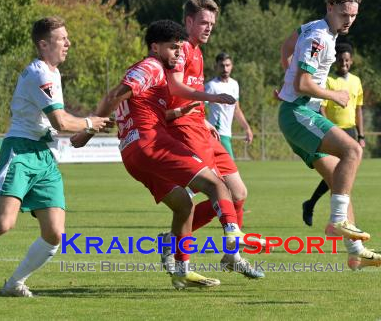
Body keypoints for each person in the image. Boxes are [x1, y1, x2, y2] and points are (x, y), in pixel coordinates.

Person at [0, 16, 111, 302]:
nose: (68, 43)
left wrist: (85, 128)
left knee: (54, 234)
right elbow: (61, 120)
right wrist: (89, 122)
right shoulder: (40, 74)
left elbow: (55, 125)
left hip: (45, 156)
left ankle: (14, 283)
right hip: (21, 152)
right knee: (2, 224)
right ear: (43, 44)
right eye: (62, 39)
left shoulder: (54, 73)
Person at [70, 19, 259, 289]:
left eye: (180, 50)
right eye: (173, 48)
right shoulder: (151, 66)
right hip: (151, 144)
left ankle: (182, 271)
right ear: (155, 47)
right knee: (217, 184)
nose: (178, 54)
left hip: (133, 155)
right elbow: (114, 95)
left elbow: (139, 108)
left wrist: (178, 113)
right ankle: (232, 236)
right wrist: (87, 130)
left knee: (184, 205)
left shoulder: (154, 73)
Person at [278, 0, 381, 270]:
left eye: (354, 16)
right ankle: (336, 222)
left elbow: (286, 47)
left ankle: (356, 253)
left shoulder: (313, 28)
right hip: (298, 113)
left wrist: (287, 69)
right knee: (353, 151)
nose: (349, 21)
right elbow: (302, 83)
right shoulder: (319, 37)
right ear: (330, 7)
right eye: (344, 15)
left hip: (298, 111)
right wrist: (334, 94)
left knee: (340, 183)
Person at [161, 0, 264, 279]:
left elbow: (187, 92)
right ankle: (178, 249)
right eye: (204, 22)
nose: (209, 27)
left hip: (201, 129)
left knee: (239, 193)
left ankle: (230, 256)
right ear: (189, 21)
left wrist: (204, 118)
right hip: (184, 130)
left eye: (212, 23)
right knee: (208, 191)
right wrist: (209, 98)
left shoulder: (199, 50)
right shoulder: (181, 49)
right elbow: (175, 86)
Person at [302, 42, 365, 227]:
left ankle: (313, 205)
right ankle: (338, 218)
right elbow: (321, 108)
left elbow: (359, 109)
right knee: (336, 175)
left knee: (341, 174)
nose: (343, 63)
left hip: (350, 131)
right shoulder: (329, 81)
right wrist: (327, 129)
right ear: (336, 61)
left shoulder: (356, 81)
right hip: (332, 133)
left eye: (347, 60)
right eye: (340, 60)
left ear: (351, 61)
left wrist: (361, 135)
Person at [205, 52, 254, 158]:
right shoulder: (211, 86)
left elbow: (236, 109)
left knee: (221, 171)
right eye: (222, 66)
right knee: (231, 169)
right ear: (216, 67)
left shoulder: (234, 84)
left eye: (227, 65)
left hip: (227, 134)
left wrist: (247, 128)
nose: (225, 69)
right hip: (217, 133)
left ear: (232, 66)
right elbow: (199, 107)